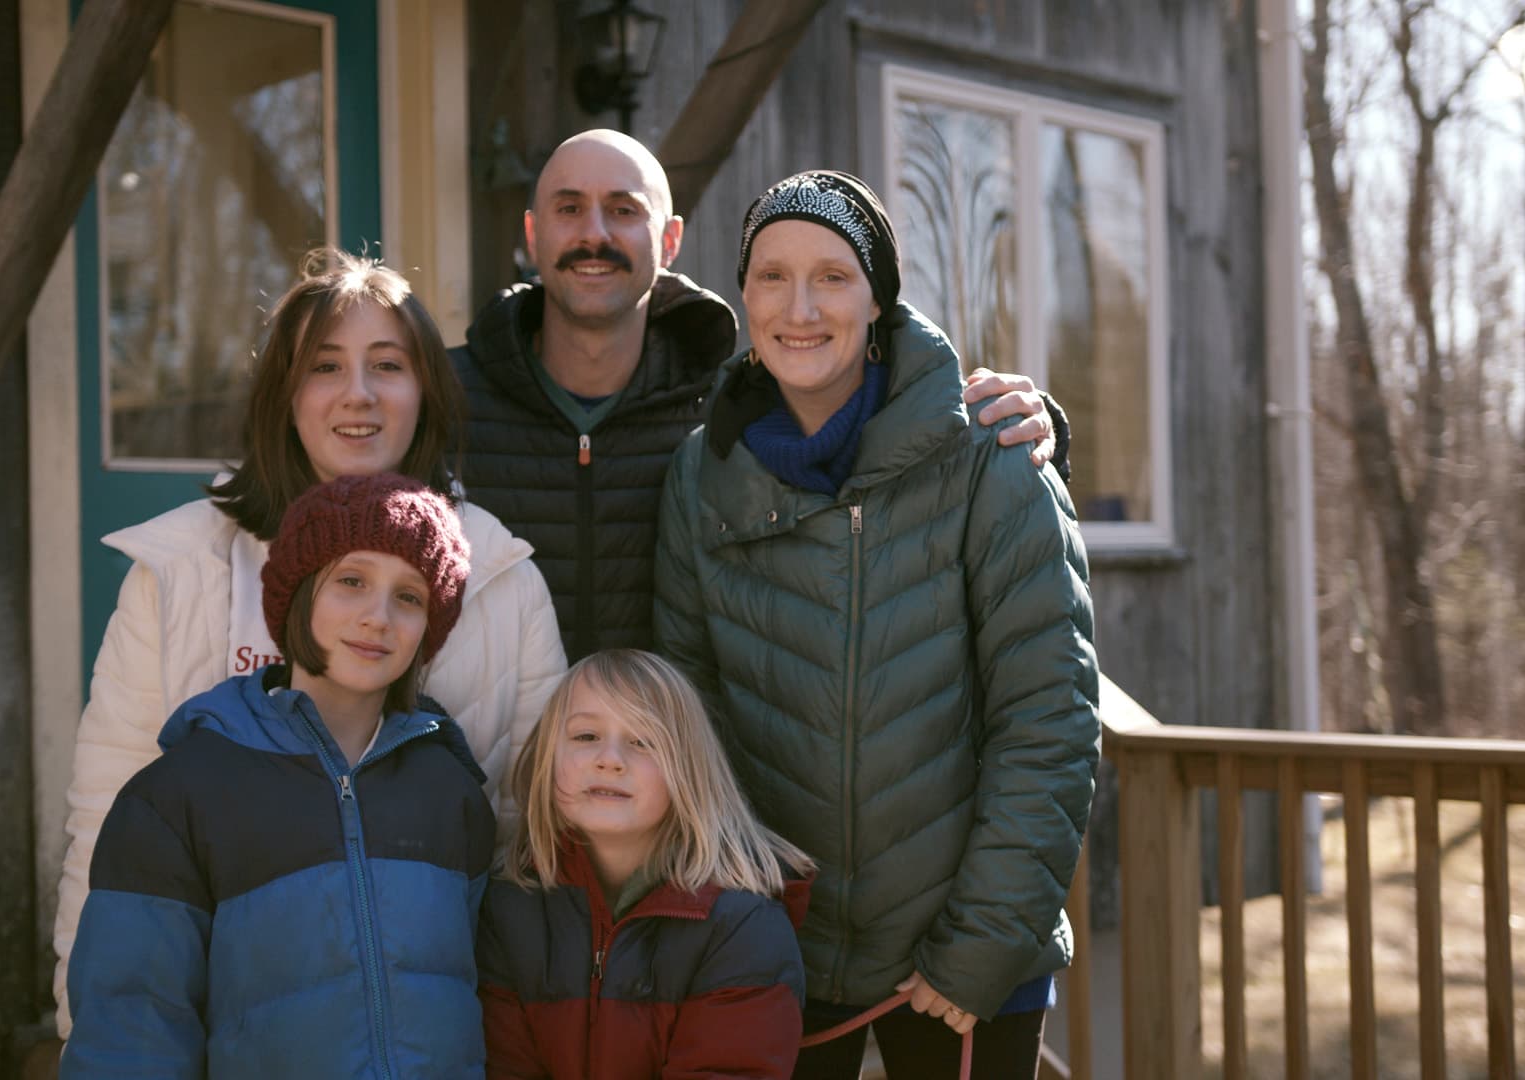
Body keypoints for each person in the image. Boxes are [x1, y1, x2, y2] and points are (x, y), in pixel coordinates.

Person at [653, 171, 1101, 1079]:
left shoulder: (991, 457)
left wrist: (979, 944)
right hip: (782, 951)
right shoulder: (705, 474)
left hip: (964, 958)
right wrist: (737, 916)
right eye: (772, 276)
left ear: (877, 297)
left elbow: (1049, 720)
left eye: (833, 275)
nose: (801, 307)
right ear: (744, 295)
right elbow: (686, 713)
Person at [51, 248, 566, 1037]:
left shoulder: (502, 578)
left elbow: (531, 845)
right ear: (285, 396)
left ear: (425, 390)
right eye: (326, 365)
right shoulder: (181, 570)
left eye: (387, 365)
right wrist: (83, 1027)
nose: (357, 394)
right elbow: (109, 832)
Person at [450, 129, 1068, 661]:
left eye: (622, 209)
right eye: (568, 208)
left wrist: (1035, 431)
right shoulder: (446, 400)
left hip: (659, 786)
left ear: (669, 240)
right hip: (482, 787)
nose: (594, 234)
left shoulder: (728, 411)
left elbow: (879, 416)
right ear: (533, 234)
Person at [62, 473, 494, 1078]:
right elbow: (131, 1028)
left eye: (410, 597)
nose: (379, 616)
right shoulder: (181, 795)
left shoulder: (450, 790)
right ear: (297, 594)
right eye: (351, 581)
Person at [476, 649, 814, 1079]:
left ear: (688, 770)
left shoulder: (742, 926)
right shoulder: (511, 908)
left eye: (643, 741)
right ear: (547, 758)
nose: (610, 759)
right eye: (585, 737)